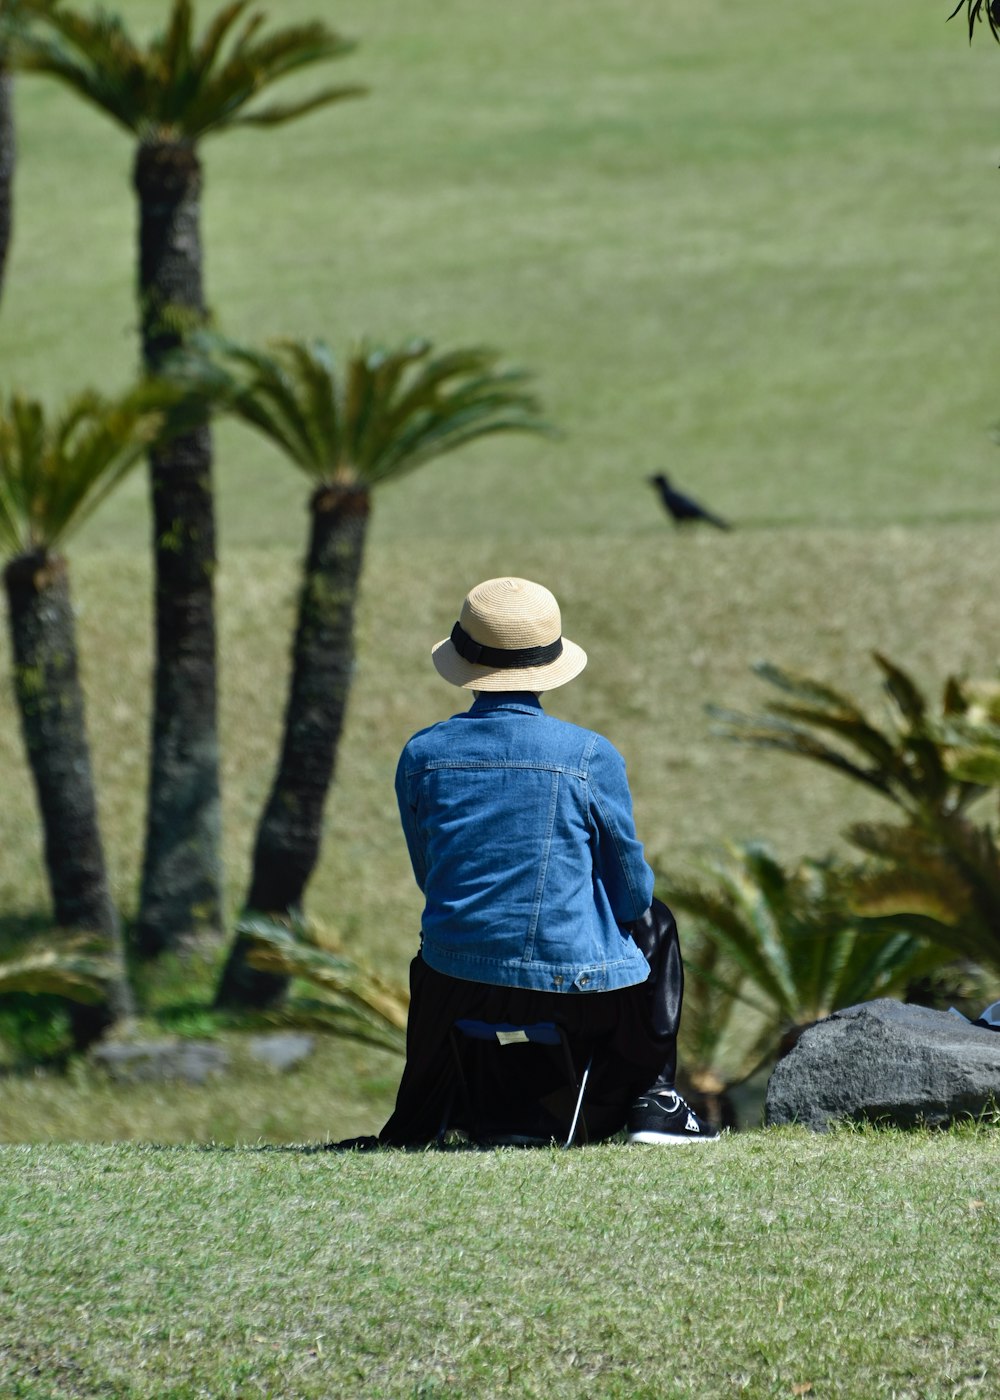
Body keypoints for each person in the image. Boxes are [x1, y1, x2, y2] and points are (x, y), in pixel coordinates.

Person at [379, 576, 719, 1147]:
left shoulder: (422, 755)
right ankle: (655, 1101)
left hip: (454, 987)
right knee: (656, 920)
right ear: (552, 662)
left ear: (464, 659)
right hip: (575, 995)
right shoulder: (588, 755)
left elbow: (430, 876)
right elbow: (631, 895)